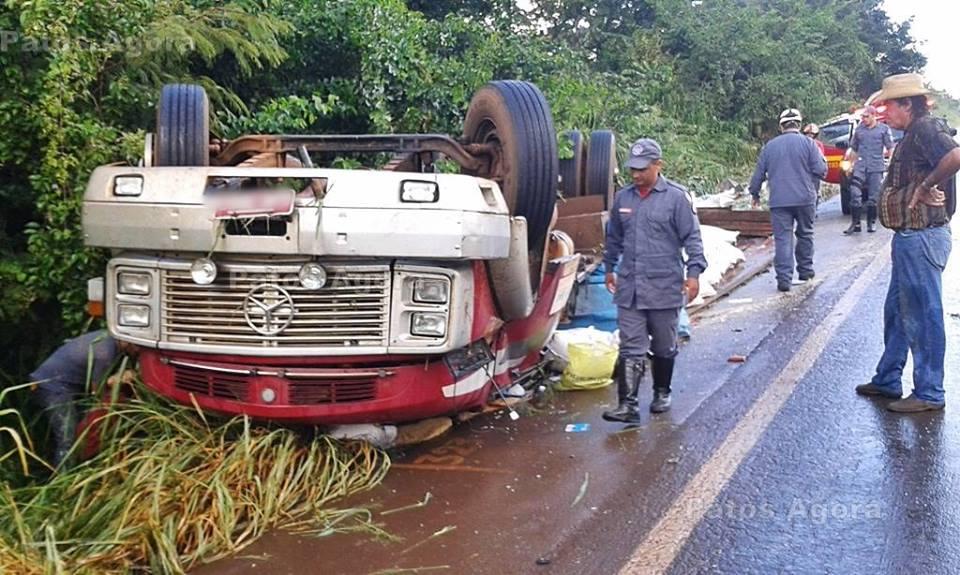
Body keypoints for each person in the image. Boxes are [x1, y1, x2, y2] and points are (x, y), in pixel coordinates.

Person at [854, 73, 960, 413]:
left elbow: (955, 156)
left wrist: (927, 184)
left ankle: (929, 392)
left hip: (923, 237)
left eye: (889, 106)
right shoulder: (910, 135)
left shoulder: (926, 129)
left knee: (922, 314)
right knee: (898, 312)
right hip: (910, 237)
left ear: (907, 104)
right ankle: (888, 378)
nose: (885, 113)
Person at [602, 139, 706, 421]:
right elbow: (613, 238)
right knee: (631, 345)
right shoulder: (623, 199)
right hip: (631, 287)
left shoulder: (676, 198)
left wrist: (694, 274)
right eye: (632, 169)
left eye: (642, 169)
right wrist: (609, 266)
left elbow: (693, 239)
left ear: (658, 165)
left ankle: (662, 390)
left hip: (664, 286)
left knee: (663, 345)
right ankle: (628, 406)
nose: (635, 175)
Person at [749, 109, 828, 292]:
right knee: (805, 233)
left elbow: (758, 175)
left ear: (781, 126)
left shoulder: (769, 147)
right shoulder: (809, 143)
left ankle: (784, 280)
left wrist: (755, 194)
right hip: (805, 198)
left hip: (779, 201)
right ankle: (806, 271)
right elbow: (821, 170)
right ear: (799, 125)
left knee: (783, 238)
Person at [30, 330, 129, 466]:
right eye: (138, 346)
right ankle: (62, 482)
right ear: (128, 341)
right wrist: (117, 380)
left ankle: (62, 469)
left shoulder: (106, 336)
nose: (138, 350)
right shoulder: (106, 352)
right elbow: (97, 390)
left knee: (73, 432)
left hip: (54, 383)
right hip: (54, 387)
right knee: (67, 438)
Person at [843, 105, 895, 234]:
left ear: (873, 116)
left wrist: (892, 162)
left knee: (873, 196)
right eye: (862, 117)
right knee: (855, 192)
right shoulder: (859, 130)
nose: (864, 119)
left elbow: (890, 147)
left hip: (876, 166)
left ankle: (871, 222)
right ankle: (856, 223)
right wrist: (850, 165)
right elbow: (854, 149)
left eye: (866, 117)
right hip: (860, 166)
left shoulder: (883, 129)